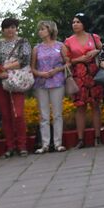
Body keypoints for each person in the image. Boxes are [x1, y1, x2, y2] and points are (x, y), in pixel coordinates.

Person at [0, 17, 32, 156]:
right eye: (7, 27)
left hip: (17, 81)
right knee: (6, 115)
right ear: (2, 30)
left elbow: (25, 60)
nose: (10, 30)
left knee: (18, 114)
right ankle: (10, 147)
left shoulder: (23, 42)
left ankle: (22, 146)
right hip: (1, 82)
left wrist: (4, 68)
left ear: (16, 28)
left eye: (13, 27)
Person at [63, 13, 103, 148]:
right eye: (73, 22)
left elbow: (103, 50)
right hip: (78, 76)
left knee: (96, 106)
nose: (75, 24)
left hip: (94, 74)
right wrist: (79, 59)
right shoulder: (68, 41)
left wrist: (96, 52)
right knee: (80, 107)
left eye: (78, 22)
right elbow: (67, 61)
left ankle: (98, 137)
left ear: (84, 23)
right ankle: (80, 140)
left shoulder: (94, 37)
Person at [30, 20, 68, 153]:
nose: (40, 31)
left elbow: (68, 63)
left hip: (57, 82)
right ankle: (45, 144)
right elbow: (32, 68)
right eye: (39, 29)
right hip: (41, 84)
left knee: (57, 114)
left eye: (43, 29)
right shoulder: (36, 48)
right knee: (44, 115)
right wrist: (40, 73)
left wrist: (56, 70)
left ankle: (58, 143)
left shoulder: (60, 45)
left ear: (50, 30)